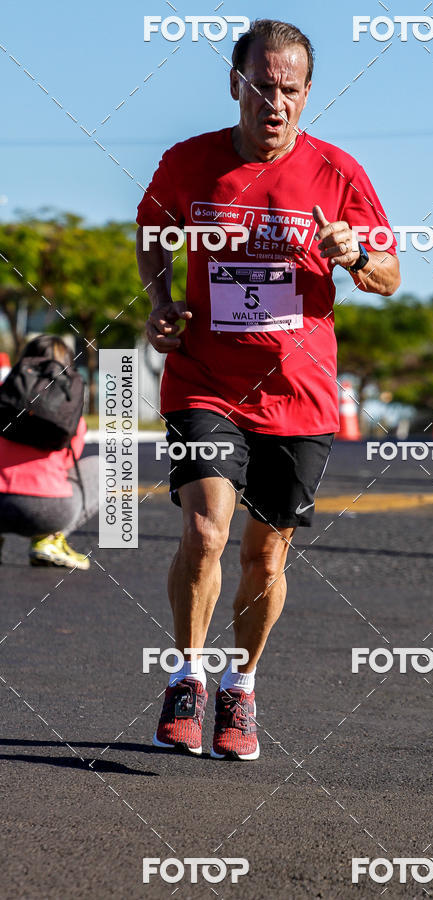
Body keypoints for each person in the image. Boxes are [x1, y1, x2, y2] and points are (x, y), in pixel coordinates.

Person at [136, 18, 401, 759]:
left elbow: (389, 275)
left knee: (266, 557)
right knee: (205, 530)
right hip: (206, 379)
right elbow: (154, 231)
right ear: (236, 85)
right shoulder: (190, 164)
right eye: (262, 86)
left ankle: (241, 687)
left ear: (307, 93)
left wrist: (354, 255)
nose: (274, 102)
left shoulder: (338, 174)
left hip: (298, 392)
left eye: (289, 90)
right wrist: (161, 303)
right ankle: (187, 677)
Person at [0, 335, 99, 569]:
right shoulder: (69, 406)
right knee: (103, 468)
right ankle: (48, 540)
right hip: (47, 512)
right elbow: (68, 461)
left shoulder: (3, 393)